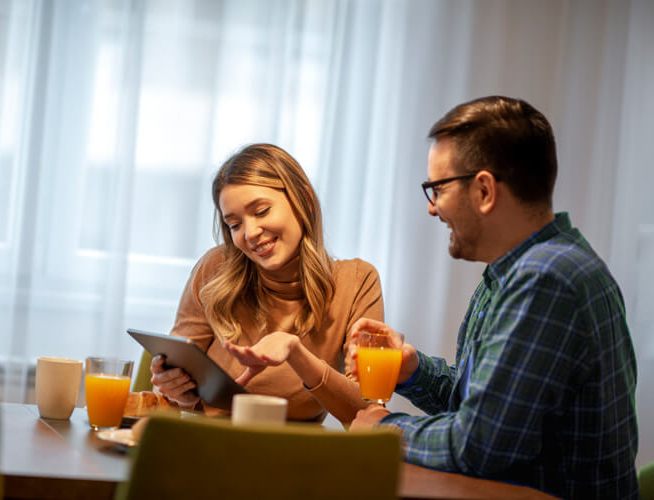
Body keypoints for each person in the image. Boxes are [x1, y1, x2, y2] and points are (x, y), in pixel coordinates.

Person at [348, 96, 639, 499]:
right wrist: (411, 371)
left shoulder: (546, 279)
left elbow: (479, 445)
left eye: (437, 189)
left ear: (484, 189)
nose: (432, 209)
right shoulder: (512, 271)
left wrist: (384, 427)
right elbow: (484, 407)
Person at [150, 143, 383, 424]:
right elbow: (170, 384)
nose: (250, 233)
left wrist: (296, 354)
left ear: (304, 201)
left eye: (261, 211)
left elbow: (367, 411)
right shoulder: (216, 270)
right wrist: (178, 393)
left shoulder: (357, 282)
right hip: (207, 447)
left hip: (295, 459)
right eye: (234, 224)